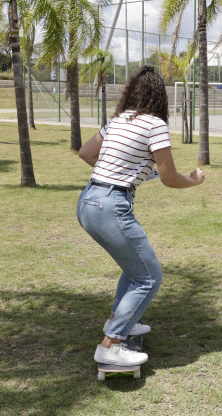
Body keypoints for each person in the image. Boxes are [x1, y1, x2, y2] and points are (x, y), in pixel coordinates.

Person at [76, 66, 205, 367]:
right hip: (111, 205)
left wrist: (125, 176)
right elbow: (170, 178)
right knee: (149, 278)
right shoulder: (155, 124)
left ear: (132, 91)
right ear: (160, 96)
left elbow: (85, 153)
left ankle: (121, 323)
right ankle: (110, 345)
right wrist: (194, 180)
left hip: (88, 200)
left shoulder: (118, 121)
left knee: (133, 268)